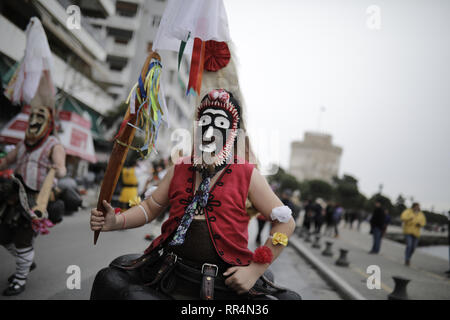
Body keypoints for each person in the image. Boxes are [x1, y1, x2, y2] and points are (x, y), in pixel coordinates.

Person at [89, 88, 300, 300]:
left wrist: (254, 270)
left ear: (232, 133)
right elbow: (150, 207)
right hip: (172, 270)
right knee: (109, 281)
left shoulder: (247, 174)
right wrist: (116, 221)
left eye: (220, 124)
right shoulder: (179, 167)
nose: (210, 131)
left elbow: (286, 223)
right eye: (205, 122)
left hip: (223, 283)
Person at [0, 105, 66, 296]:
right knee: (3, 235)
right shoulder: (22, 144)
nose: (34, 120)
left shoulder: (54, 144)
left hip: (36, 199)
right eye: (32, 116)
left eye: (40, 116)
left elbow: (61, 169)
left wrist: (58, 170)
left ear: (49, 122)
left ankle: (20, 280)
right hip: (13, 195)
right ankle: (27, 261)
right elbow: (6, 161)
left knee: (23, 241)